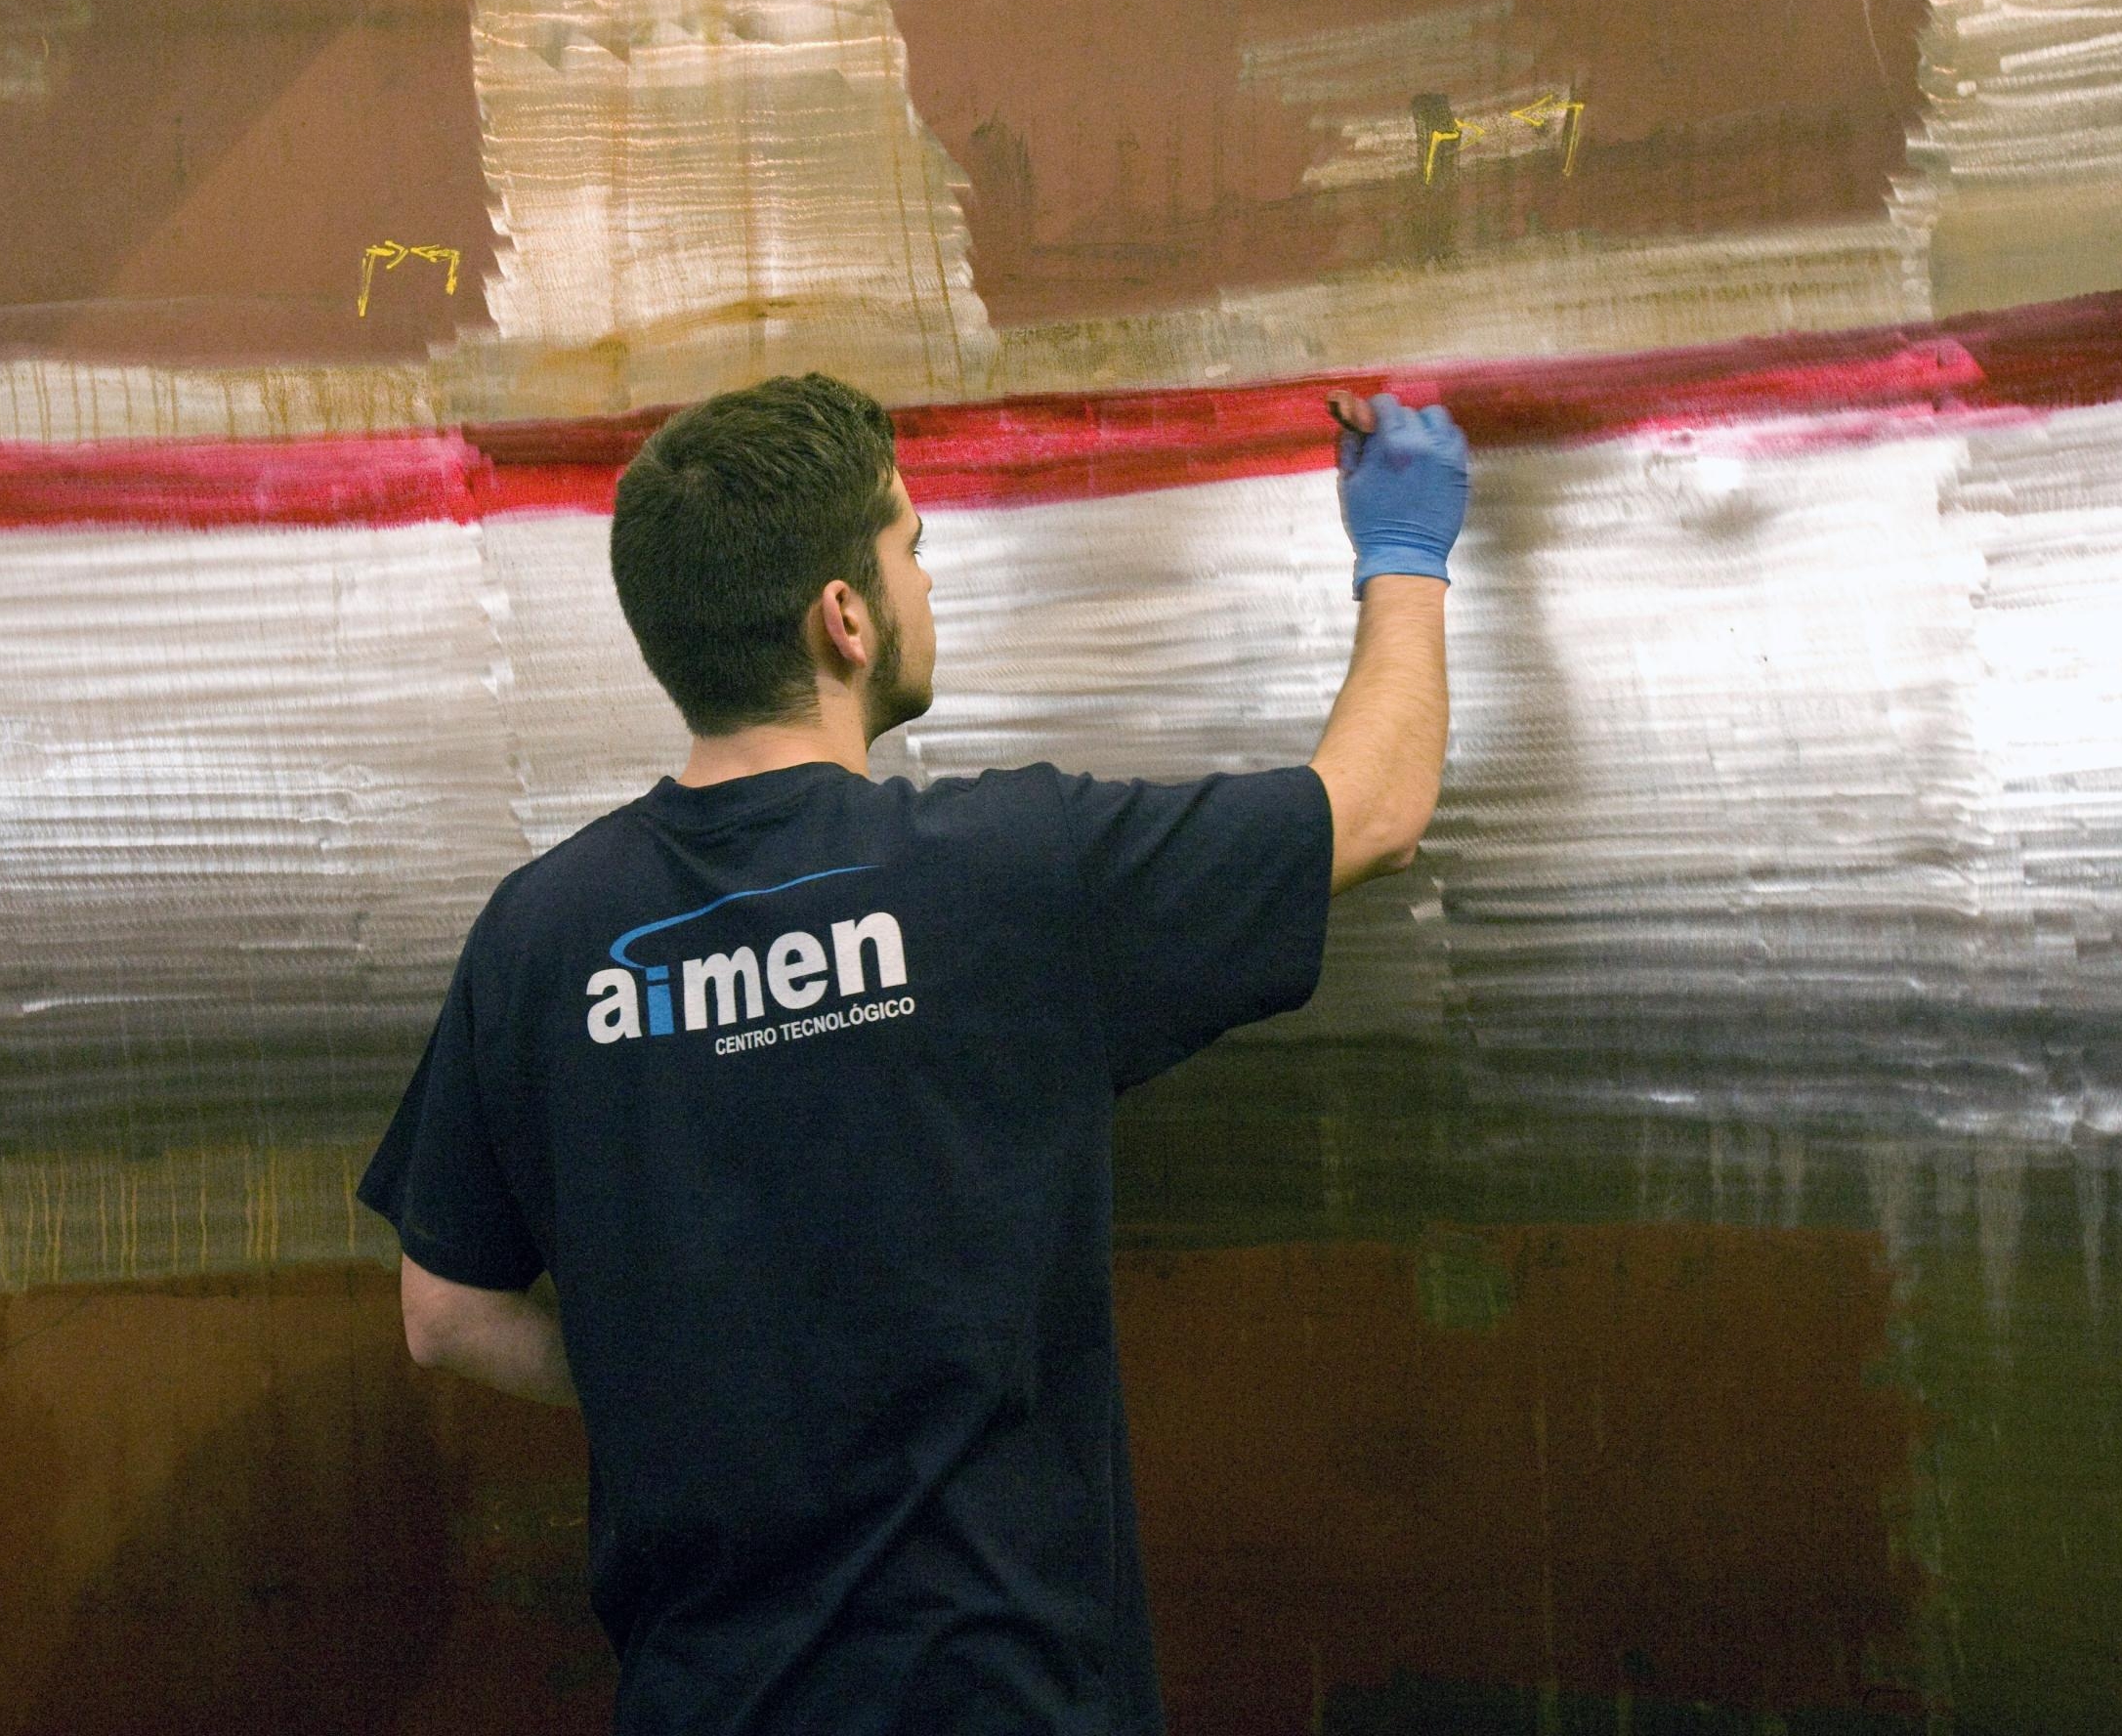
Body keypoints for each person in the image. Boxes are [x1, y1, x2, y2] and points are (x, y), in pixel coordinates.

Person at [357, 371, 1468, 1734]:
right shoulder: (1006, 876)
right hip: (998, 1697)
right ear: (844, 619)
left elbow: (446, 1313)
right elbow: (1373, 808)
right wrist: (1403, 554)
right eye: (911, 549)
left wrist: (703, 1393)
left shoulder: (539, 934)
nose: (924, 585)